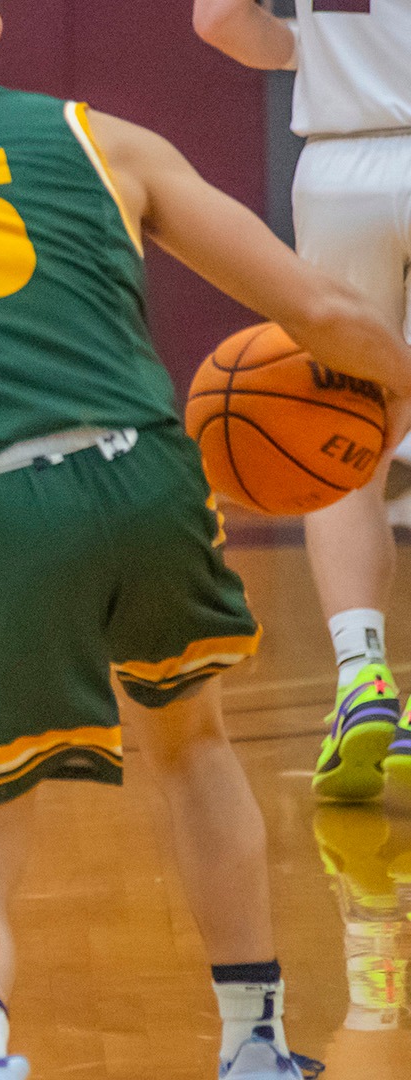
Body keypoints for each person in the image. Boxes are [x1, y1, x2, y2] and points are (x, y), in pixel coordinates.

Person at [0, 1, 411, 1077]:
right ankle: (254, 1043)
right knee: (195, 749)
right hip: (151, 478)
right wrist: (394, 391)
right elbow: (317, 309)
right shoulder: (102, 138)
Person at [194, 0, 411, 801]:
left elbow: (219, 20)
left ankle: (361, 676)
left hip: (340, 172)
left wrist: (310, 50)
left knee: (343, 437)